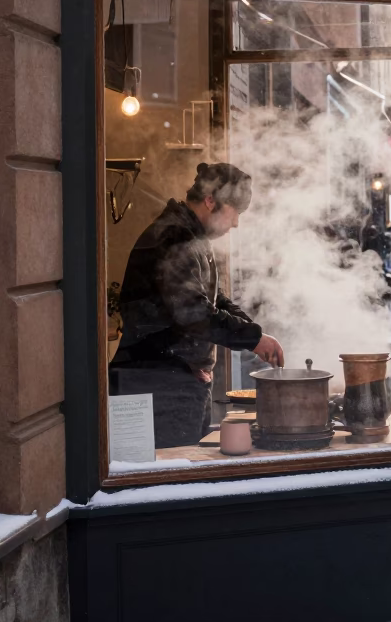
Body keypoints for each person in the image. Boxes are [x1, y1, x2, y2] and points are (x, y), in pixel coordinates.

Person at [110, 163, 284, 449]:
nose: (236, 223)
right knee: (174, 471)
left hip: (176, 380)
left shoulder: (192, 236)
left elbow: (215, 300)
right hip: (159, 382)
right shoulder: (174, 237)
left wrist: (255, 334)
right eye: (235, 212)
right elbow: (192, 311)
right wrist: (252, 339)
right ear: (210, 200)